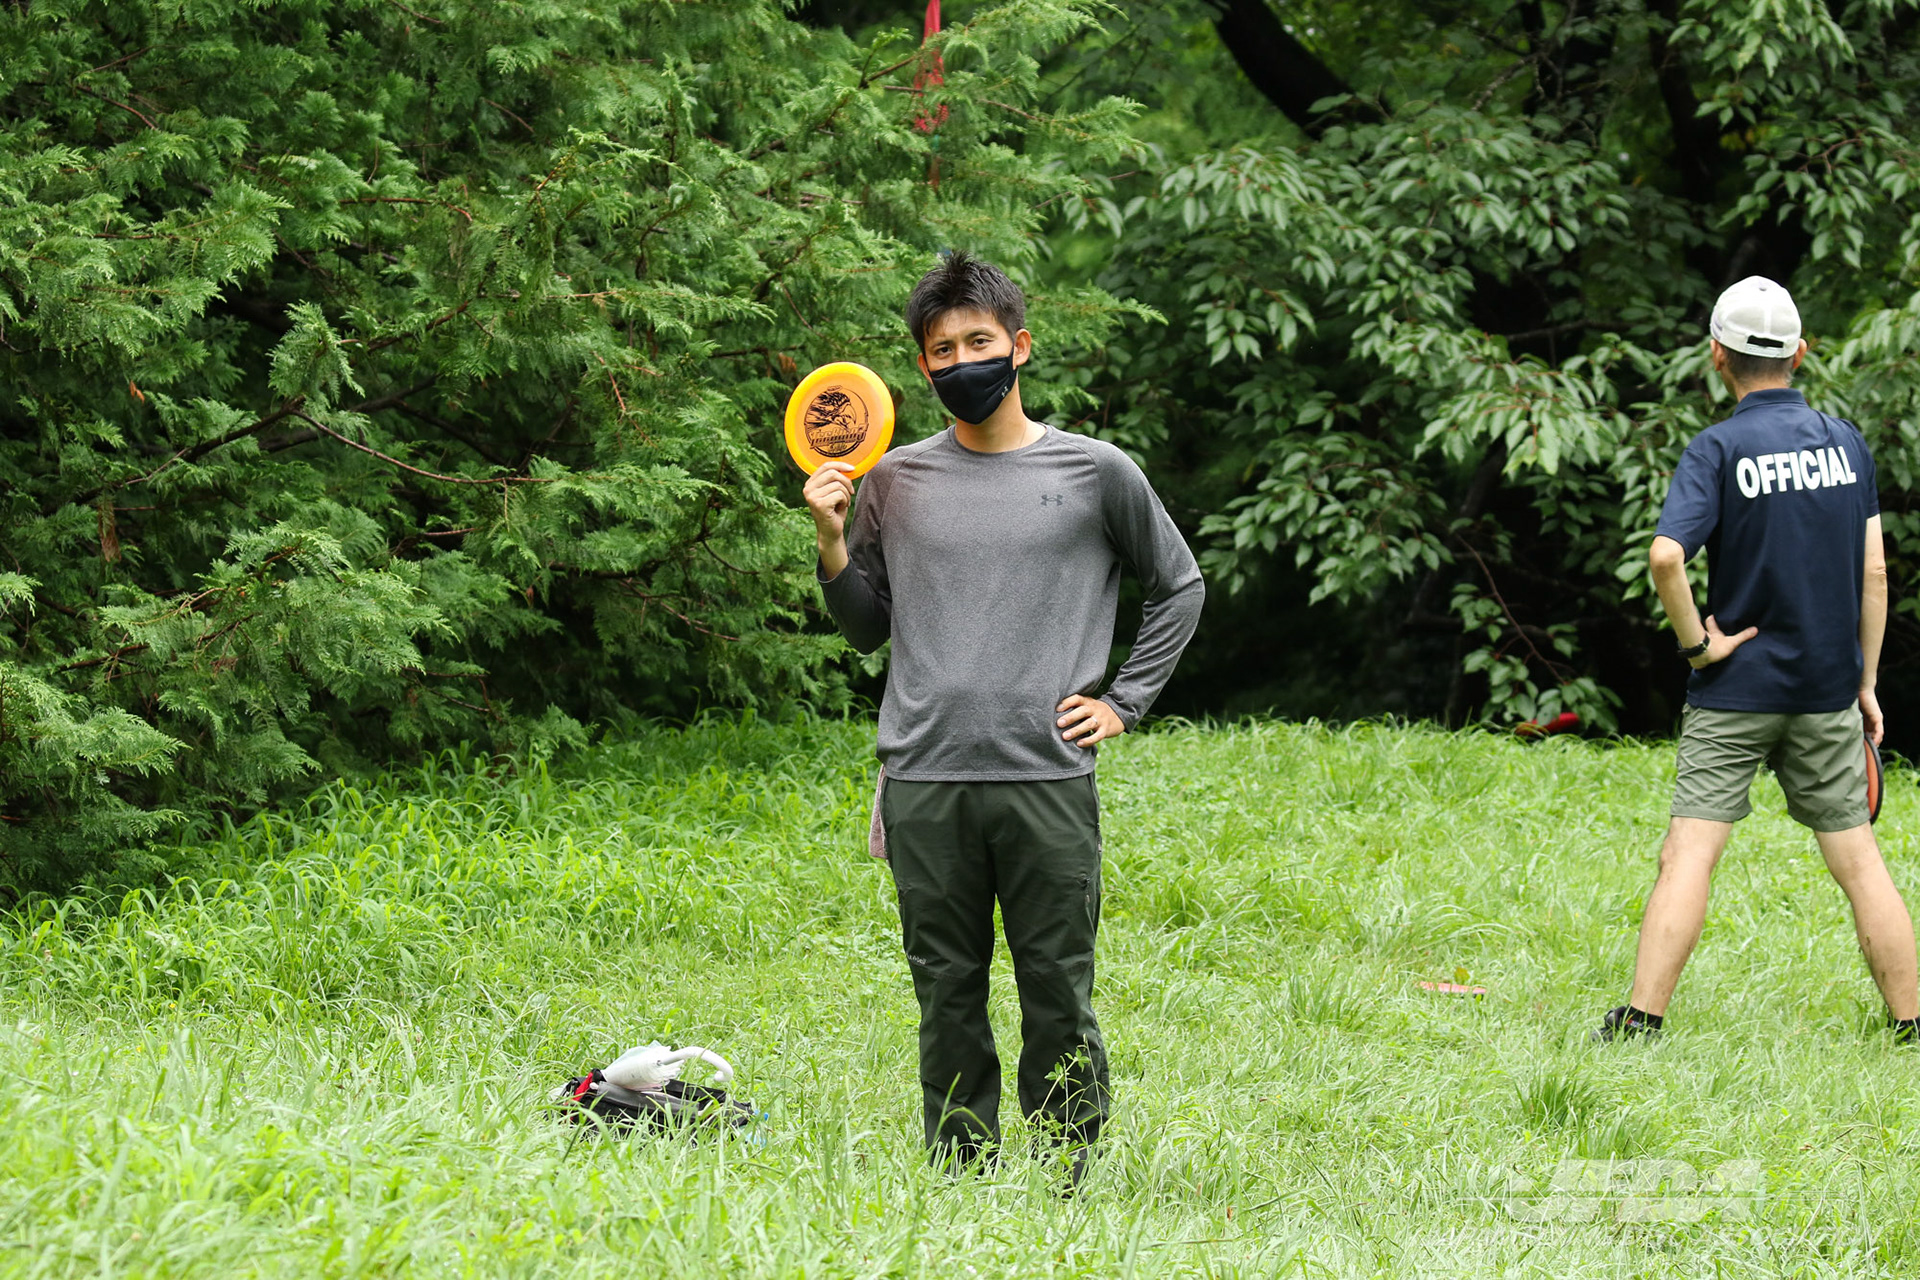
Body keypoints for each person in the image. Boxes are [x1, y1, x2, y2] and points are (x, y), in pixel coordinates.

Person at [803, 252, 1204, 1174]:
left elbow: (1179, 586)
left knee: (1057, 988)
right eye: (942, 350)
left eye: (978, 342)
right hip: (925, 777)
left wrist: (1124, 702)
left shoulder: (1096, 471)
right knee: (946, 990)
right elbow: (866, 628)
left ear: (1018, 346)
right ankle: (960, 1170)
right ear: (923, 367)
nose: (961, 362)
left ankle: (1068, 1167)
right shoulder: (893, 480)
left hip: (1045, 776)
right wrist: (829, 540)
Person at [1596, 275, 1919, 1043]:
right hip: (1825, 690)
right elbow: (1875, 573)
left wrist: (1698, 646)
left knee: (1689, 855)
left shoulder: (1717, 449)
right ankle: (1912, 1023)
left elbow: (1666, 556)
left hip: (1735, 691)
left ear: (1718, 356)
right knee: (1860, 864)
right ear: (1799, 354)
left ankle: (1641, 1023)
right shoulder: (1846, 444)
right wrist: (1866, 682)